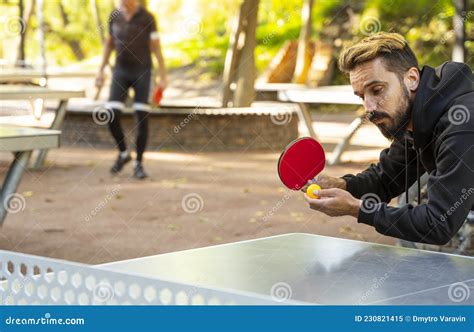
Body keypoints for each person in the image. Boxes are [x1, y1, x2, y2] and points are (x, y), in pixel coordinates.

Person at [303, 32, 474, 245]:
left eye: (377, 90)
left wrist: (356, 208)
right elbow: (387, 179)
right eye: (362, 96)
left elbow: (438, 223)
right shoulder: (418, 117)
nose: (369, 107)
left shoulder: (462, 125)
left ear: (411, 79)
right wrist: (343, 185)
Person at [95, 0, 167, 179]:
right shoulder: (114, 16)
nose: (122, 3)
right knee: (110, 114)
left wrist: (163, 75)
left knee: (141, 117)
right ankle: (123, 153)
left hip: (143, 72)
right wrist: (101, 70)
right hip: (120, 71)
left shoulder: (148, 18)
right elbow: (109, 44)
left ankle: (138, 164)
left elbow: (156, 47)